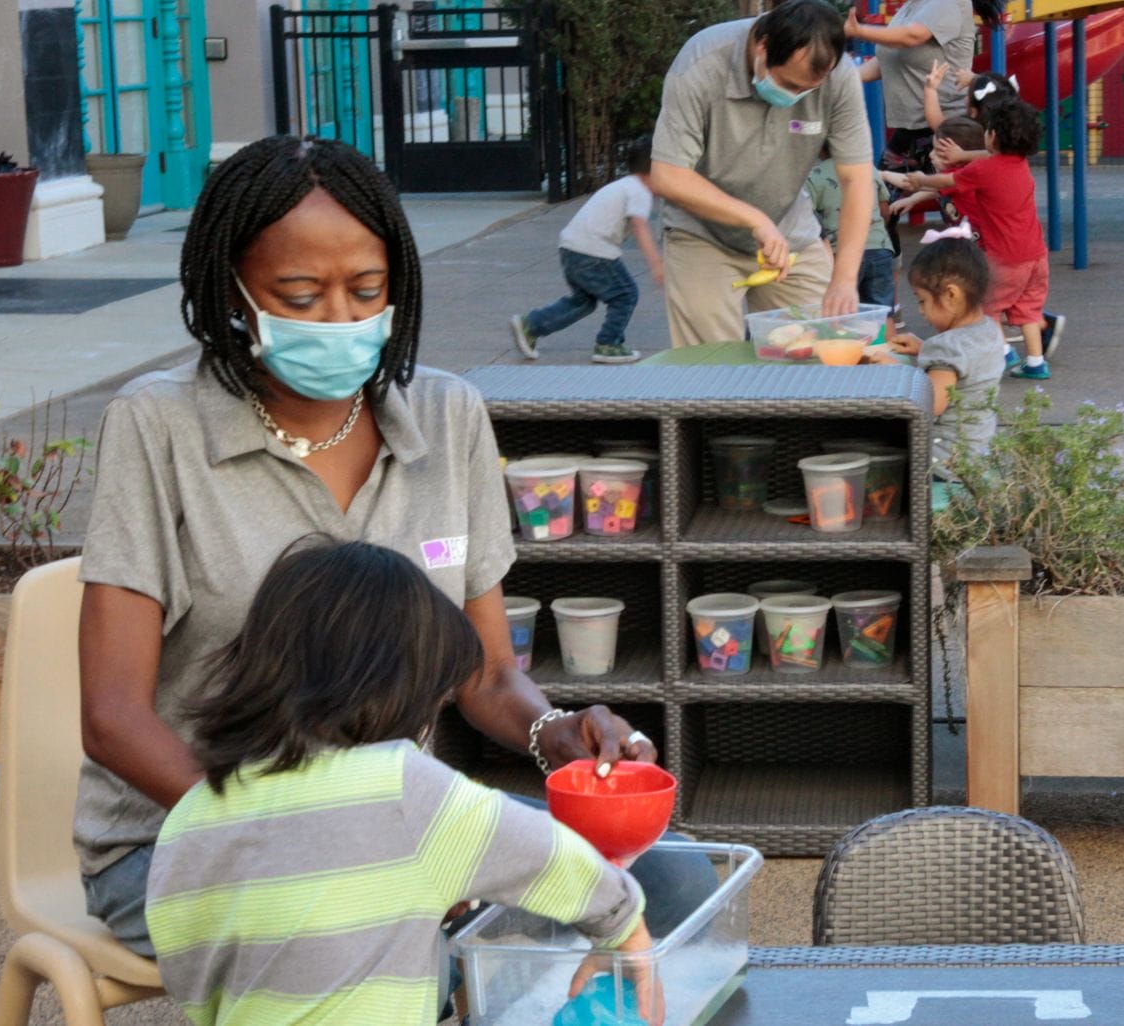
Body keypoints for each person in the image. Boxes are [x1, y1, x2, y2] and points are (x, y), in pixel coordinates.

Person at [74, 135, 710, 958]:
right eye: (299, 295)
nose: (340, 319)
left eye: (366, 290)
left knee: (669, 881)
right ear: (232, 291)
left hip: (396, 829)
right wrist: (293, 844)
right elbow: (112, 716)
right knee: (425, 956)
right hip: (189, 834)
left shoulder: (447, 417)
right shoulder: (157, 426)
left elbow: (481, 674)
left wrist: (550, 729)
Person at [147, 538, 661, 1026]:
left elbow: (188, 974)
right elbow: (552, 856)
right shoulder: (402, 786)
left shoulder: (192, 813)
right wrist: (626, 929)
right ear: (397, 691)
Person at [651, 0, 875, 347]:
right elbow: (668, 175)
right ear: (762, 46)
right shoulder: (701, 63)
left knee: (822, 349)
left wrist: (845, 279)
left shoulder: (839, 76)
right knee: (711, 366)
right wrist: (754, 219)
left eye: (808, 90)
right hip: (702, 234)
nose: (797, 96)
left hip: (789, 231)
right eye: (788, 84)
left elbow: (857, 179)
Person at [885, 99, 1063, 378]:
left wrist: (920, 180)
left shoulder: (985, 169)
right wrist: (963, 155)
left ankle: (1002, 354)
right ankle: (1036, 362)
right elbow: (984, 156)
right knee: (1028, 309)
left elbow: (945, 183)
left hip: (1005, 257)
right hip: (1036, 255)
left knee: (985, 307)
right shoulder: (1019, 162)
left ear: (993, 135)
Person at [846, 0, 1005, 173]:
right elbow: (890, 57)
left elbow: (913, 36)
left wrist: (859, 31)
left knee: (953, 203)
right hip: (912, 128)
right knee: (881, 198)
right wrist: (844, 77)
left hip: (947, 127)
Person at [510, 135, 662, 364]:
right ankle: (609, 343)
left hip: (571, 247)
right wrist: (656, 264)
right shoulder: (639, 190)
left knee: (583, 301)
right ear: (655, 171)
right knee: (625, 294)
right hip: (594, 252)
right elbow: (640, 226)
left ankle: (531, 325)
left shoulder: (624, 185)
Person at [866, 237, 1004, 473]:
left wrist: (897, 370)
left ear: (951, 295)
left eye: (923, 301)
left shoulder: (947, 347)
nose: (921, 311)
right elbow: (968, 361)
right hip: (979, 449)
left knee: (870, 436)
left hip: (943, 458)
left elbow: (932, 402)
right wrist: (925, 348)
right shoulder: (989, 329)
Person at [804, 144, 896, 310]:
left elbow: (808, 217)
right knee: (882, 311)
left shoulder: (814, 176)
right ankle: (888, 336)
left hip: (840, 253)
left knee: (844, 309)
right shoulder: (868, 168)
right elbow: (884, 208)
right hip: (879, 248)